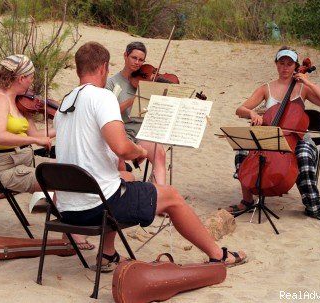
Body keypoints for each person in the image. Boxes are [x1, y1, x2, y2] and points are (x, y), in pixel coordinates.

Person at [54, 41, 247, 271]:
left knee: (126, 178)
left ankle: (107, 254)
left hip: (68, 210)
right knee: (172, 195)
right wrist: (142, 151)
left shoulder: (66, 102)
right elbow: (122, 148)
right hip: (96, 207)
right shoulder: (102, 97)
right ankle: (218, 255)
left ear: (78, 68)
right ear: (103, 67)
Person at [0, 54, 94, 250]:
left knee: (66, 173)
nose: (32, 81)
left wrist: (64, 128)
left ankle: (68, 232)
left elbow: (36, 133)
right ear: (20, 78)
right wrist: (34, 140)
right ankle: (69, 236)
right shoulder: (0, 99)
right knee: (61, 180)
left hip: (20, 163)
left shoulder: (17, 101)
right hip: (5, 169)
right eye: (31, 76)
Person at [226, 46, 320, 221]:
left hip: (297, 137)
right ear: (276, 64)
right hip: (270, 134)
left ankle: (313, 205)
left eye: (289, 64)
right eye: (281, 63)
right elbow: (240, 109)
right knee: (243, 149)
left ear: (296, 66)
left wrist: (308, 82)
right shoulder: (266, 88)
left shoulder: (303, 88)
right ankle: (247, 200)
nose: (285, 68)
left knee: (304, 154)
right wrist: (252, 113)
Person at [105, 42, 167, 184]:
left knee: (160, 154)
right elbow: (108, 112)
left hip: (142, 130)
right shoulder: (112, 83)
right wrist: (133, 99)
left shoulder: (147, 81)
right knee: (118, 159)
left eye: (141, 60)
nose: (137, 63)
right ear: (125, 56)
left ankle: (158, 194)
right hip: (122, 131)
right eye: (134, 58)